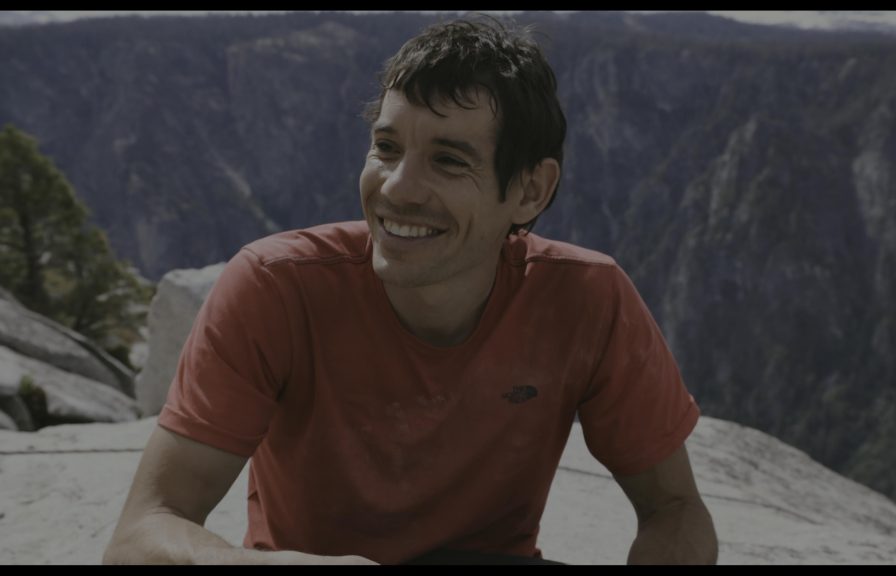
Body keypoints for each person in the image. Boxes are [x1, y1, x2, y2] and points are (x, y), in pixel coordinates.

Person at [103, 15, 717, 565]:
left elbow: (674, 509)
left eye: (449, 160)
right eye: (387, 148)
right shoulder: (275, 287)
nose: (397, 188)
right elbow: (141, 534)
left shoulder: (588, 299)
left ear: (530, 191)